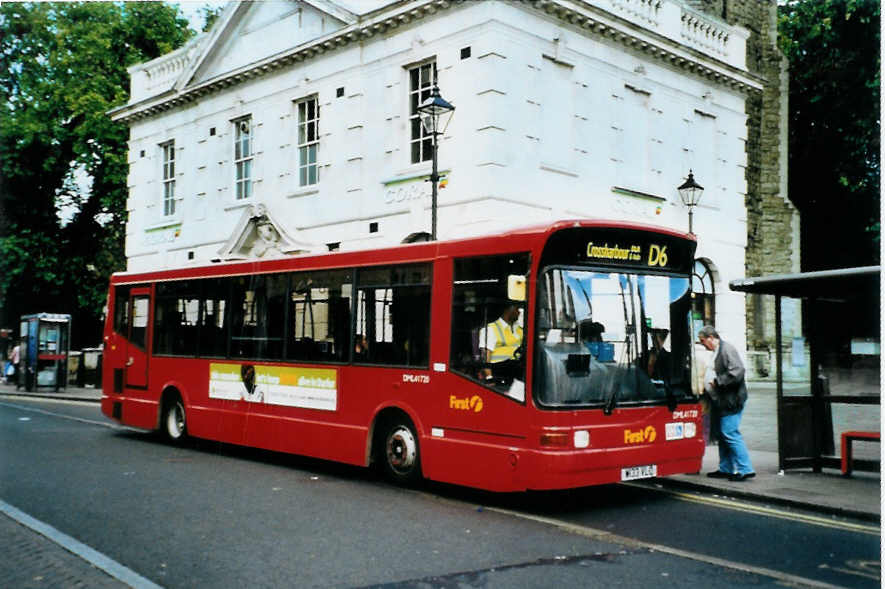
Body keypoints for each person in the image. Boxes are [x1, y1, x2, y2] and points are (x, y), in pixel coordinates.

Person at [698, 325, 755, 482]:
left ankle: (745, 468)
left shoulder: (726, 349)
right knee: (723, 435)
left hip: (732, 400)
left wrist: (718, 382)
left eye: (703, 341)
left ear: (711, 338)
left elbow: (738, 371)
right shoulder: (717, 350)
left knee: (730, 433)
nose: (703, 344)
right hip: (722, 401)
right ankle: (726, 468)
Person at [479, 303, 523, 379]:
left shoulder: (519, 329)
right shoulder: (490, 329)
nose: (519, 312)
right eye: (516, 309)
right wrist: (489, 378)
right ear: (508, 310)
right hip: (499, 373)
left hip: (517, 372)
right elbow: (485, 358)